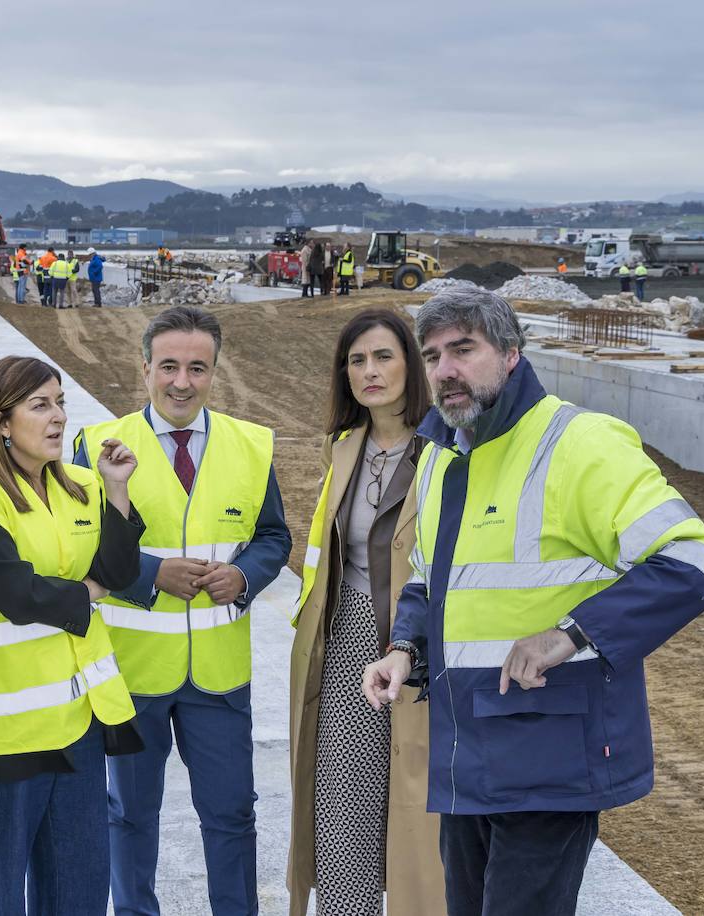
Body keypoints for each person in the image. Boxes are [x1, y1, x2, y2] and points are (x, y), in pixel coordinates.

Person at [362, 288, 704, 916]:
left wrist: (570, 633)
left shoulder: (579, 444)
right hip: (465, 751)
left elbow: (699, 560)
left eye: (463, 349)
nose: (445, 370)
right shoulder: (445, 457)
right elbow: (433, 575)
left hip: (550, 755)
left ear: (510, 353)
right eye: (432, 356)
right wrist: (404, 646)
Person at [73, 306, 292, 915]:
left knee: (231, 814)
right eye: (168, 366)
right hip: (133, 670)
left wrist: (245, 574)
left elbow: (274, 536)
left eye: (198, 368)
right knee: (129, 815)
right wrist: (149, 574)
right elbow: (81, 543)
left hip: (220, 673)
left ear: (214, 374)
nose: (182, 381)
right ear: (144, 369)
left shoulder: (251, 445)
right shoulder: (97, 445)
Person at [0, 355, 147, 916]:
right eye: (40, 405)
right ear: (2, 422)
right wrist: (89, 590)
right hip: (2, 731)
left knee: (80, 888)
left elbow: (121, 571)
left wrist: (116, 489)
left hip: (78, 721)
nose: (58, 416)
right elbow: (16, 594)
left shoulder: (84, 484)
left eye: (60, 402)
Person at [288, 310, 445, 916]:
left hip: (424, 645)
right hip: (349, 641)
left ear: (411, 362)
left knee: (417, 812)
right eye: (356, 360)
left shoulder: (449, 450)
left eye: (383, 356)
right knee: (343, 804)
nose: (369, 371)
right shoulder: (343, 448)